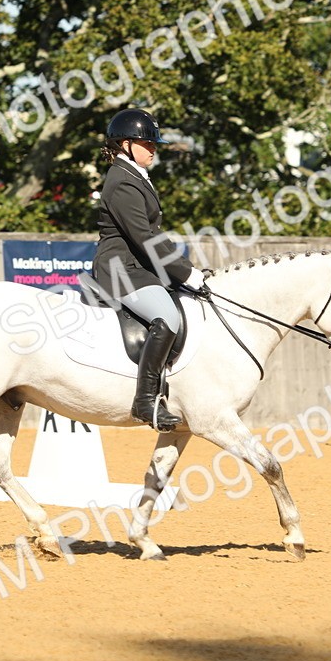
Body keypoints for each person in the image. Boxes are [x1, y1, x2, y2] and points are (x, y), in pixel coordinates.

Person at [90, 108, 205, 431]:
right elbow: (145, 238)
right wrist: (187, 273)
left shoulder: (135, 176)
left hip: (137, 267)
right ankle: (145, 401)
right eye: (147, 143)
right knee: (167, 317)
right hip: (120, 268)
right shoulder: (122, 182)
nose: (154, 148)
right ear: (125, 144)